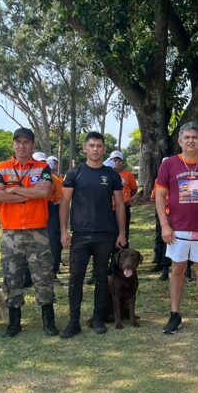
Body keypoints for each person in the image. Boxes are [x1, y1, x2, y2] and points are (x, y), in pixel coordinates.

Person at [154, 122, 198, 335]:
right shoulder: (169, 165)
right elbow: (159, 196)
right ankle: (175, 315)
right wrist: (165, 225)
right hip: (177, 229)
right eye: (186, 137)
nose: (190, 141)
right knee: (177, 270)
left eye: (194, 137)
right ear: (180, 141)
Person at [0, 127, 59, 337]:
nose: (22, 146)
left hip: (37, 231)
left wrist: (14, 189)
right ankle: (14, 323)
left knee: (43, 276)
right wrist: (29, 195)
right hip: (11, 233)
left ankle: (49, 321)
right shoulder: (2, 168)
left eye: (26, 142)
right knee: (12, 277)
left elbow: (45, 191)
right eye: (18, 142)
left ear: (33, 145)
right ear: (13, 144)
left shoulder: (42, 167)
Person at [58, 132, 127, 338]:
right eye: (91, 146)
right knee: (75, 277)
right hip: (80, 234)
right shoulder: (74, 173)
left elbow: (120, 205)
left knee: (100, 278)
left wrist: (122, 232)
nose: (95, 149)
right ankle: (74, 321)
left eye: (99, 146)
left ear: (104, 149)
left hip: (106, 234)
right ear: (85, 149)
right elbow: (64, 203)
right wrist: (63, 231)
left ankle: (97, 318)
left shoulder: (112, 175)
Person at [110, 151, 138, 244]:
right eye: (115, 160)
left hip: (124, 207)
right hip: (110, 208)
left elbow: (134, 189)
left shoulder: (129, 174)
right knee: (111, 232)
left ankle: (123, 254)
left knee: (124, 231)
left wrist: (127, 197)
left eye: (119, 160)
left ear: (123, 162)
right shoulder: (107, 174)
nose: (117, 163)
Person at [45, 155, 64, 276]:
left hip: (50, 208)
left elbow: (60, 198)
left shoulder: (55, 180)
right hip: (34, 209)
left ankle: (53, 269)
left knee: (53, 240)